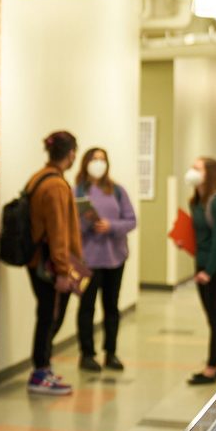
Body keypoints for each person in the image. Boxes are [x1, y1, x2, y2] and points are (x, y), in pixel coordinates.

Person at [25, 131, 83, 396]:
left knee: (47, 315)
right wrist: (62, 270)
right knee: (50, 317)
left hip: (38, 260)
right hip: (49, 266)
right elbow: (58, 232)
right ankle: (40, 372)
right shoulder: (56, 185)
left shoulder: (38, 177)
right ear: (71, 154)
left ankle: (44, 369)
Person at [74, 147, 136, 372]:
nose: (98, 163)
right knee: (86, 308)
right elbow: (71, 224)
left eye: (102, 159)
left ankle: (111, 353)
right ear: (85, 162)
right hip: (87, 261)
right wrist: (87, 223)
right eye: (94, 159)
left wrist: (111, 226)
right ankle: (87, 354)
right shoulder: (77, 191)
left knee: (111, 307)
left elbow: (131, 220)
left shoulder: (117, 191)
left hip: (114, 259)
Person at [186, 157, 216, 384]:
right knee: (212, 317)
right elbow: (200, 236)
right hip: (201, 264)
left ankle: (211, 368)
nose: (192, 171)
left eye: (197, 168)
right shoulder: (196, 201)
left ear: (209, 174)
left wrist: (209, 271)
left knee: (214, 317)